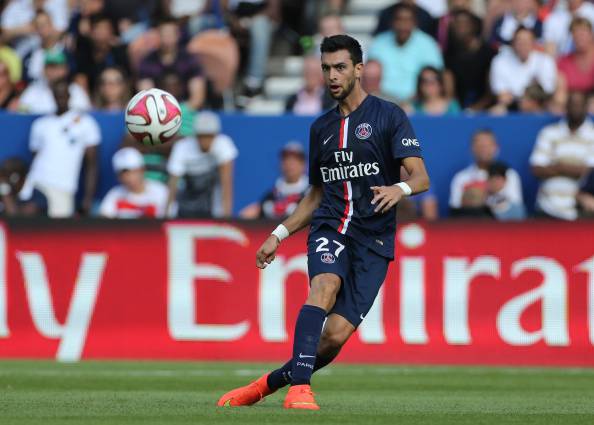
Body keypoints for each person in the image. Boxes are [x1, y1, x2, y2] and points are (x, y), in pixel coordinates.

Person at [217, 34, 430, 410]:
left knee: (333, 337)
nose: (332, 75)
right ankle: (300, 391)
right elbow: (315, 194)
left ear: (359, 69)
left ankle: (266, 385)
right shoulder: (321, 129)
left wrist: (399, 189)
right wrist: (278, 233)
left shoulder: (389, 116)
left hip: (374, 239)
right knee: (324, 286)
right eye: (327, 68)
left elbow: (421, 177)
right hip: (331, 226)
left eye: (340, 67)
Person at [21, 78, 100, 217]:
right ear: (52, 95)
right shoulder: (41, 124)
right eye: (57, 94)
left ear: (70, 95)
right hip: (37, 183)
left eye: (63, 94)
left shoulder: (86, 123)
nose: (60, 98)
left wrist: (88, 198)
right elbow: (35, 157)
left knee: (57, 234)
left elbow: (92, 165)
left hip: (63, 187)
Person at [530, 91, 594, 220]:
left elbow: (589, 172)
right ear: (566, 107)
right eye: (572, 104)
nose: (575, 108)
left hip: (580, 210)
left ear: (586, 107)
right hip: (547, 208)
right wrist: (573, 168)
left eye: (579, 105)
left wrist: (558, 166)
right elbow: (536, 169)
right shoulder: (549, 133)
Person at [166, 111, 237, 218]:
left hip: (212, 203)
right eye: (202, 136)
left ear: (215, 135)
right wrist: (167, 215)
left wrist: (226, 217)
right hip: (187, 201)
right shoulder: (181, 147)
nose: (205, 141)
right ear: (196, 135)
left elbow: (226, 183)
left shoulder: (224, 144)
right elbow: (173, 185)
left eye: (209, 136)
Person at [368, 3, 443, 103]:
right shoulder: (379, 42)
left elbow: (436, 77)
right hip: (383, 100)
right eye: (399, 20)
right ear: (392, 22)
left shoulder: (428, 44)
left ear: (415, 22)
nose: (403, 25)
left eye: (407, 20)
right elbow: (367, 75)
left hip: (418, 101)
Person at [137, 18, 205, 108]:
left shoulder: (189, 60)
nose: (167, 38)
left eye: (171, 34)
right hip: (157, 110)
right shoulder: (148, 61)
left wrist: (180, 111)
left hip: (186, 110)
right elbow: (146, 96)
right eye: (164, 34)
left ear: (178, 35)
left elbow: (197, 97)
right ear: (158, 36)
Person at [450, 129, 523, 212]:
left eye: (487, 145)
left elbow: (517, 212)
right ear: (472, 148)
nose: (483, 149)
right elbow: (455, 211)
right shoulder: (461, 178)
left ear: (496, 148)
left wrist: (492, 194)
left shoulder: (509, 175)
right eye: (479, 145)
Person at [489, 26, 557, 113]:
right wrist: (526, 96)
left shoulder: (545, 61)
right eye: (519, 41)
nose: (523, 45)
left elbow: (548, 90)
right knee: (498, 110)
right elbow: (502, 95)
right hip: (511, 107)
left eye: (527, 41)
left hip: (540, 105)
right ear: (513, 44)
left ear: (533, 43)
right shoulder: (499, 61)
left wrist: (529, 97)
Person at [240, 141, 309, 219]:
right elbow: (253, 211)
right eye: (286, 159)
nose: (290, 164)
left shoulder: (312, 193)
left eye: (295, 160)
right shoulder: (272, 194)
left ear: (304, 165)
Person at [444, 9, 496, 110]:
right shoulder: (449, 54)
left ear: (474, 26)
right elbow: (449, 90)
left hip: (486, 108)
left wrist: (474, 109)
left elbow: (491, 91)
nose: (460, 27)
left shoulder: (488, 53)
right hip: (459, 109)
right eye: (456, 24)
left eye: (464, 23)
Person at [99, 147, 169, 218]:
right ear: (118, 177)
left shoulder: (161, 191)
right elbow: (104, 220)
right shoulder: (114, 194)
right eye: (125, 174)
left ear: (142, 170)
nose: (130, 178)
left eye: (134, 172)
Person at [18, 50, 91, 114]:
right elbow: (22, 115)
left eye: (57, 67)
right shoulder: (32, 92)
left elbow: (83, 117)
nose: (53, 71)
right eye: (49, 66)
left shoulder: (76, 91)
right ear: (43, 70)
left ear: (66, 70)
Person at [555, 17, 594, 109]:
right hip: (572, 103)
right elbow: (560, 92)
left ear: (591, 34)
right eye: (576, 33)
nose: (580, 36)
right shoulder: (563, 62)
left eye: (583, 32)